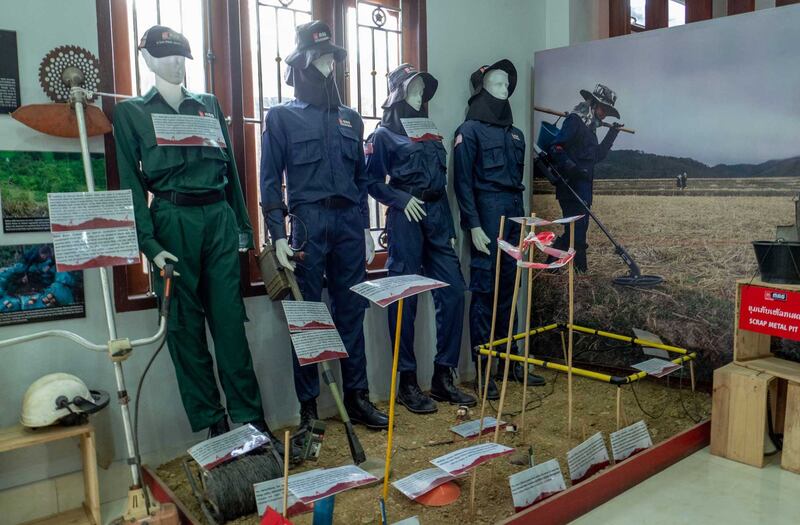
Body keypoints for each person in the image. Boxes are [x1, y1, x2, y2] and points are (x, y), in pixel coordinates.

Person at [113, 26, 286, 450]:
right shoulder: (132, 113)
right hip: (172, 220)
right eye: (165, 56)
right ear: (147, 59)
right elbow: (130, 185)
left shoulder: (208, 105)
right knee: (184, 332)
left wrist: (245, 227)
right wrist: (149, 245)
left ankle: (250, 419)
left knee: (230, 325)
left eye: (180, 57)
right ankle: (214, 424)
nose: (174, 63)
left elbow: (232, 173)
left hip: (218, 220)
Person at [259, 21, 389, 442]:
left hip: (350, 222)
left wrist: (368, 226)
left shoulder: (351, 118)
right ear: (305, 62)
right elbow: (268, 180)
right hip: (309, 226)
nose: (331, 65)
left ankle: (357, 396)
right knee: (308, 316)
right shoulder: (281, 117)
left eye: (334, 57)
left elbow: (361, 179)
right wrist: (277, 231)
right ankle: (309, 408)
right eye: (323, 57)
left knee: (352, 311)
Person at [365, 63, 474, 414]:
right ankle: (407, 382)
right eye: (413, 88)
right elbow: (371, 182)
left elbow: (441, 180)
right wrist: (400, 198)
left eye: (422, 89)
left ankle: (444, 375)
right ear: (398, 92)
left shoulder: (430, 130)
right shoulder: (383, 135)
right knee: (403, 299)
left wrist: (451, 229)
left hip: (438, 215)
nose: (419, 94)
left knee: (454, 290)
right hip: (406, 218)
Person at [454, 60, 545, 400]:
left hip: (514, 212)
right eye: (496, 82)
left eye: (507, 83)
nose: (504, 88)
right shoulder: (469, 131)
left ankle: (511, 363)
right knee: (484, 292)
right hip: (488, 216)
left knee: (512, 287)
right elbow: (462, 184)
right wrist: (473, 225)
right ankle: (484, 370)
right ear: (481, 87)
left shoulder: (515, 133)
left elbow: (517, 181)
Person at [547, 84, 624, 273]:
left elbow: (597, 156)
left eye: (607, 111)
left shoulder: (591, 129)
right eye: (603, 109)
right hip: (569, 186)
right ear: (593, 103)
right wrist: (571, 167)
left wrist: (612, 133)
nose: (604, 114)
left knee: (576, 230)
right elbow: (555, 147)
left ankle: (551, 264)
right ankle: (580, 270)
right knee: (577, 231)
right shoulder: (574, 121)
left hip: (584, 188)